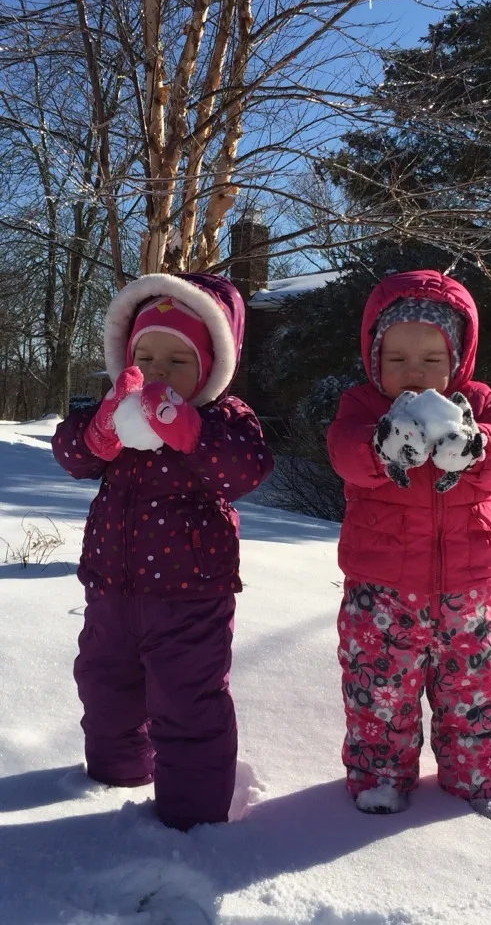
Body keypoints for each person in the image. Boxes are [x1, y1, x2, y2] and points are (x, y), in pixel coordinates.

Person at [52, 271, 273, 831]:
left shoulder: (225, 419)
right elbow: (71, 455)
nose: (156, 373)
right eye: (145, 357)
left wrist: (189, 429)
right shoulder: (115, 411)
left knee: (187, 701)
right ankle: (115, 773)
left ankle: (193, 815)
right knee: (105, 685)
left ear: (211, 368)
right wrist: (98, 432)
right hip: (110, 588)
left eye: (178, 363)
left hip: (191, 596)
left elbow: (246, 469)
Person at [327, 269, 491, 822]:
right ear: (374, 359)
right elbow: (343, 454)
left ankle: (479, 777)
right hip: (382, 590)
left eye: (431, 361)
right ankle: (381, 778)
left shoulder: (480, 405)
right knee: (379, 689)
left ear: (458, 359)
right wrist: (380, 448)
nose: (414, 374)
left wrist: (479, 448)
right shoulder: (363, 409)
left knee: (476, 687)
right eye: (397, 361)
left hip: (470, 590)